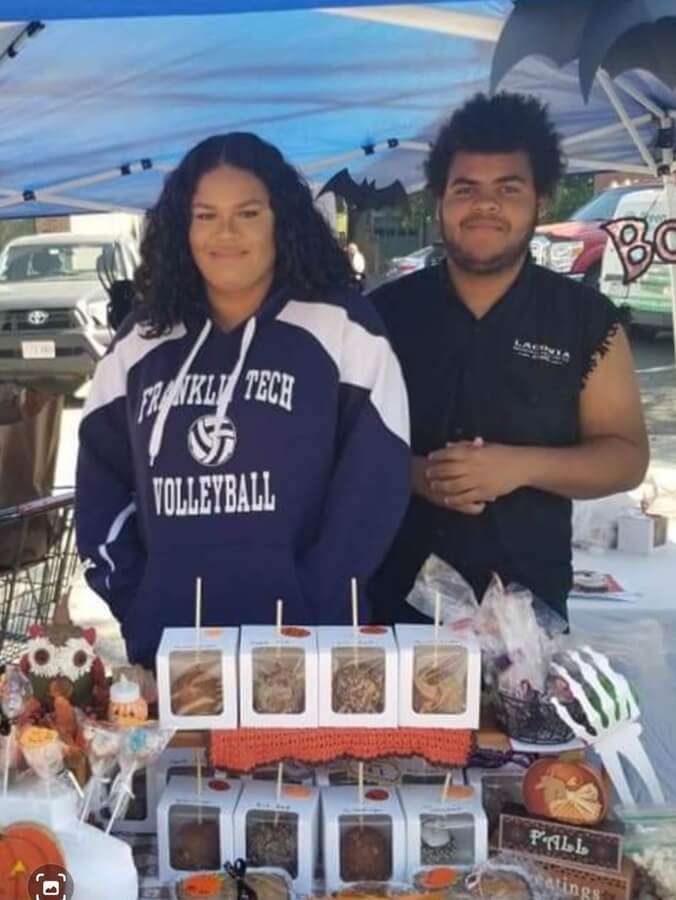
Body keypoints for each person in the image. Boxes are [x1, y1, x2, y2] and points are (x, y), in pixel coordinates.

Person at [76, 132, 410, 668]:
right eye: (205, 215)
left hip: (305, 654)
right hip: (173, 652)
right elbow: (100, 488)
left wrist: (314, 607)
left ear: (282, 220)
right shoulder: (140, 341)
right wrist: (141, 604)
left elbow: (374, 489)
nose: (225, 233)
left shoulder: (344, 328)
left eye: (248, 214)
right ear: (182, 228)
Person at [369, 93, 648, 625]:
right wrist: (414, 474)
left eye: (508, 188)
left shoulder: (586, 319)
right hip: (391, 610)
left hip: (527, 618)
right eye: (466, 189)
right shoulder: (383, 314)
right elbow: (337, 447)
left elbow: (627, 456)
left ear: (541, 200)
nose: (485, 205)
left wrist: (518, 466)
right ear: (441, 200)